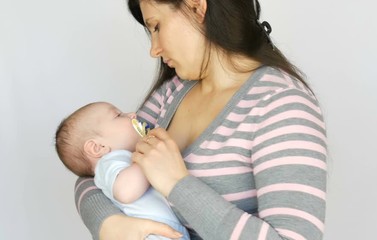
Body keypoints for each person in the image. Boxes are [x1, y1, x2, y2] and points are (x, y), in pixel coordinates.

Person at [74, 0, 328, 239]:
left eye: (156, 26)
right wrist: (108, 223)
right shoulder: (172, 93)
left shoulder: (280, 104)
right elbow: (95, 167)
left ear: (196, 7)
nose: (154, 49)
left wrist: (177, 184)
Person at [55, 102, 190, 240]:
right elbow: (125, 191)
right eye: (119, 115)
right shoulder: (107, 163)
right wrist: (148, 157)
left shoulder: (120, 160)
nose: (132, 115)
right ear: (97, 147)